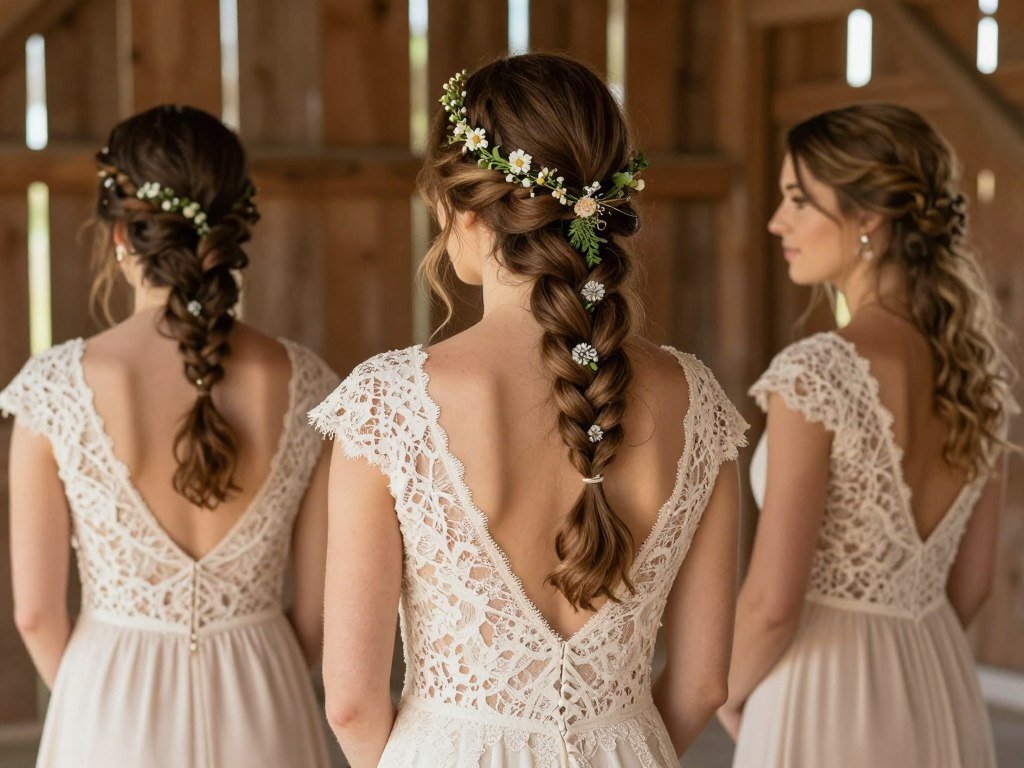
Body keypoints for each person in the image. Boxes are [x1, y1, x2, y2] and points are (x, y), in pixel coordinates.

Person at [309, 53, 748, 768]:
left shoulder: (388, 402)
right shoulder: (695, 400)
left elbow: (351, 703)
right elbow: (703, 683)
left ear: (469, 211)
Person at [1, 105, 337, 768]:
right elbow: (320, 612)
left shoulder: (55, 388)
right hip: (265, 693)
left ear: (122, 235)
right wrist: (261, 672)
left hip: (110, 706)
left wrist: (89, 698)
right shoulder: (307, 384)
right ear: (235, 228)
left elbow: (36, 616)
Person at [721, 103, 1018, 768]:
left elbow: (772, 603)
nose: (777, 222)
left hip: (817, 691)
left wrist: (726, 693)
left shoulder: (817, 374)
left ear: (869, 219)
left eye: (799, 201)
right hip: (937, 683)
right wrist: (908, 655)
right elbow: (971, 587)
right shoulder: (977, 380)